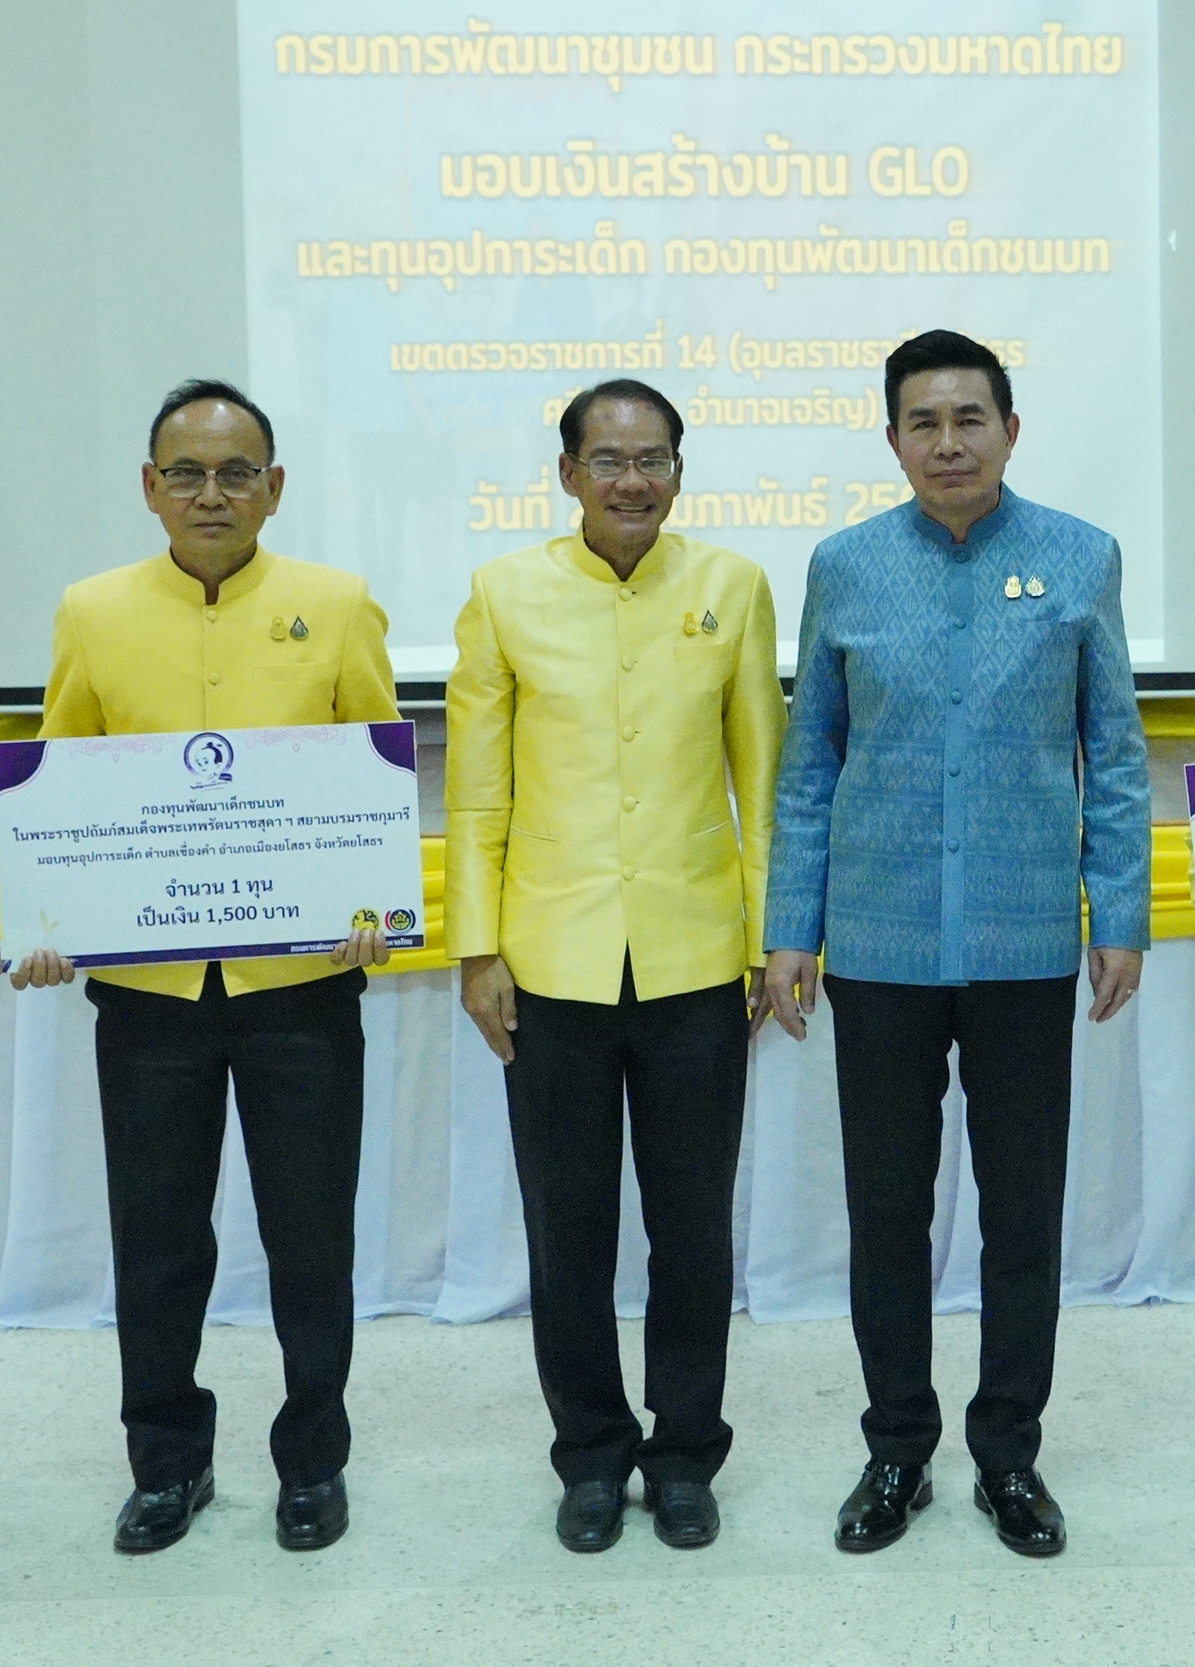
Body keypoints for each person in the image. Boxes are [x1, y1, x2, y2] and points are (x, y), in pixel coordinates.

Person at [760, 328, 1148, 1559]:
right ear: (891, 440)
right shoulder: (845, 564)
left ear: (1010, 430)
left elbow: (1119, 755)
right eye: (921, 423)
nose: (946, 443)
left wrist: (1119, 913)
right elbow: (807, 763)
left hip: (1026, 936)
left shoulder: (1079, 558)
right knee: (885, 1209)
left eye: (968, 418)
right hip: (875, 942)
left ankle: (1009, 1454)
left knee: (1022, 1211)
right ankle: (894, 1448)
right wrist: (789, 931)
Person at [7, 379, 397, 1557]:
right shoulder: (92, 609)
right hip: (149, 995)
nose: (211, 493)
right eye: (186, 472)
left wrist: (371, 904)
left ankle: (312, 1461)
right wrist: (42, 911)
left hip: (300, 990)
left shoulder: (335, 605)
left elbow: (374, 777)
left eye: (236, 473)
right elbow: (56, 779)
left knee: (309, 1234)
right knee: (160, 1236)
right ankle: (166, 1462)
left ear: (275, 486)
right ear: (148, 486)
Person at [445, 378, 785, 1554]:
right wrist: (476, 946)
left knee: (692, 1226)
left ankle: (684, 1451)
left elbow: (764, 779)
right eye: (607, 459)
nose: (630, 478)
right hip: (548, 962)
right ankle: (589, 1453)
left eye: (652, 458)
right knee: (568, 1227)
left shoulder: (731, 587)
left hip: (696, 962)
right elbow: (478, 785)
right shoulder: (504, 594)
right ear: (567, 473)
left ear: (679, 471)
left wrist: (771, 938)